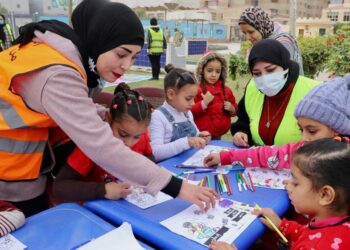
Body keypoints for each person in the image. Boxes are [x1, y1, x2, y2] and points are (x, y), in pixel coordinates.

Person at [0, 0, 217, 217]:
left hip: (24, 165)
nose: (126, 66)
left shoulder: (56, 56)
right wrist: (176, 187)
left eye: (132, 57)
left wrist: (106, 113)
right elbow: (102, 146)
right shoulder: (57, 74)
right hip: (11, 175)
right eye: (121, 54)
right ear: (98, 38)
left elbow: (71, 105)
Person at [210, 138, 350, 250]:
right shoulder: (334, 221)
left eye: (295, 183)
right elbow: (309, 234)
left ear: (325, 195)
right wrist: (282, 226)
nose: (287, 184)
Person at [204, 75, 350, 168]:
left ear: (337, 129)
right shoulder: (303, 150)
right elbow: (267, 155)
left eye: (312, 131)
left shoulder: (342, 164)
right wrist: (225, 157)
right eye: (301, 129)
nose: (304, 137)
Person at [52, 83, 154, 201]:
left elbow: (150, 158)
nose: (129, 143)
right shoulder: (92, 144)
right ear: (108, 118)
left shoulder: (143, 135)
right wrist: (103, 190)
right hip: (94, 208)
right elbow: (59, 187)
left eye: (137, 137)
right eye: (123, 134)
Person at [230, 39, 319, 148]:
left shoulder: (314, 91)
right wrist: (240, 132)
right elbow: (244, 120)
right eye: (257, 73)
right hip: (259, 161)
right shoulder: (253, 87)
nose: (264, 78)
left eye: (271, 70)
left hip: (299, 161)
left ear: (284, 65)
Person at [150, 64, 212, 162]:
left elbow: (194, 136)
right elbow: (155, 153)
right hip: (168, 170)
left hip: (189, 163)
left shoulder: (187, 113)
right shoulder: (158, 117)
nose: (193, 103)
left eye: (193, 98)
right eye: (188, 99)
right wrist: (187, 142)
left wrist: (201, 136)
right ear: (171, 94)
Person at [239, 6, 304, 75]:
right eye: (244, 33)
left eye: (251, 32)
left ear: (262, 27)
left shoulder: (283, 43)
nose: (248, 37)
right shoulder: (261, 44)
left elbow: (283, 76)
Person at [192, 51, 238, 139]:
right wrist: (203, 104)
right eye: (209, 70)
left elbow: (235, 109)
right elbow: (188, 112)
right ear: (202, 70)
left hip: (219, 135)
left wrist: (232, 109)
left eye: (217, 71)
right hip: (201, 135)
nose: (214, 75)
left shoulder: (226, 90)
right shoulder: (196, 90)